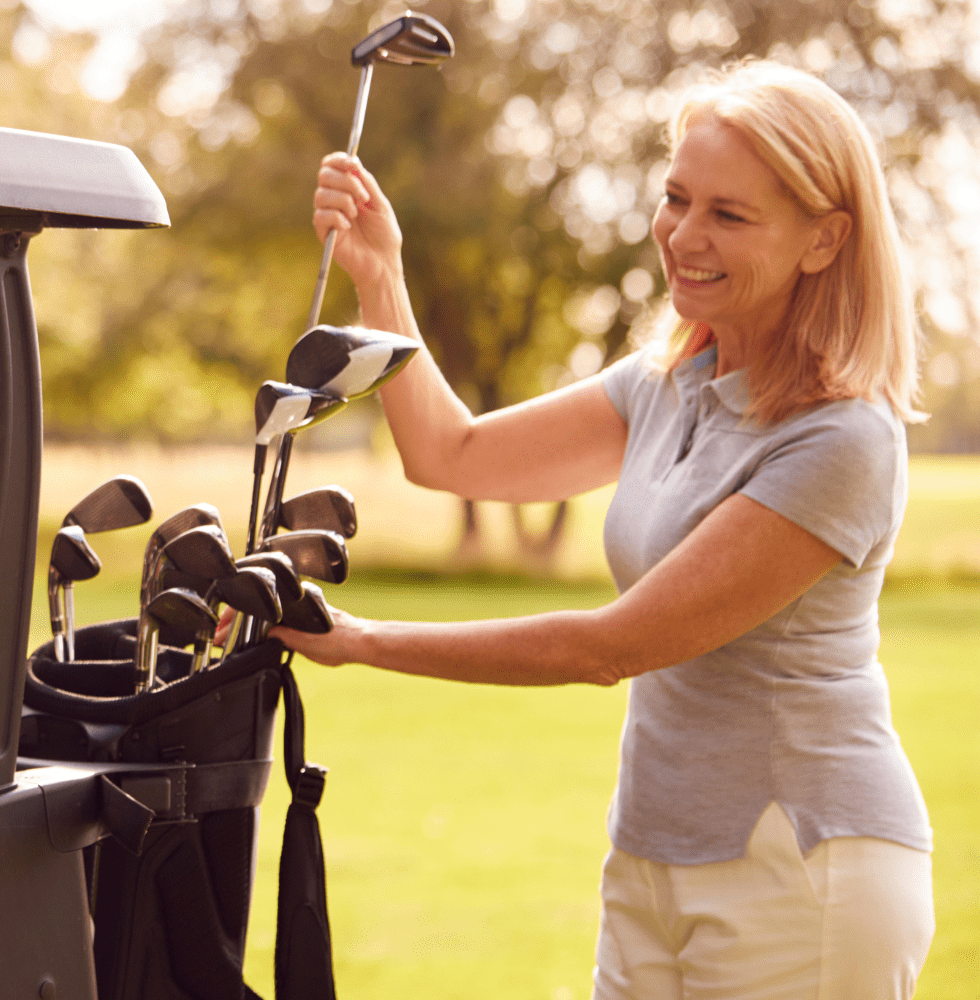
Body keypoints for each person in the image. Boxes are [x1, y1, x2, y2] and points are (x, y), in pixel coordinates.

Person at [280, 61, 933, 999]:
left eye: (729, 216)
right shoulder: (664, 385)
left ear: (824, 241)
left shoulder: (842, 440)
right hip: (651, 854)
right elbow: (450, 454)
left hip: (801, 873)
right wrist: (382, 277)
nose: (683, 237)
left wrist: (362, 642)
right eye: (677, 199)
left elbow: (609, 644)